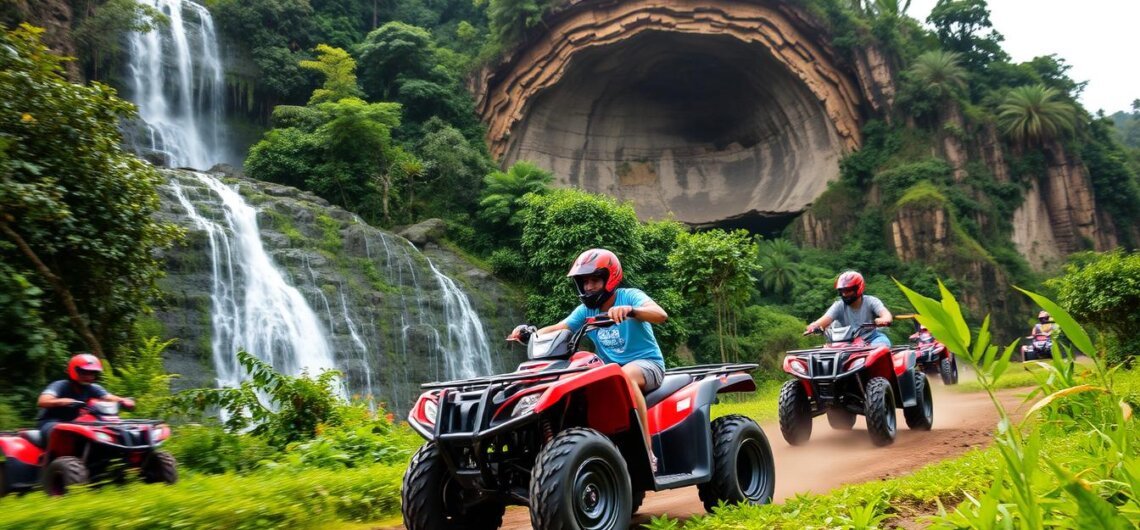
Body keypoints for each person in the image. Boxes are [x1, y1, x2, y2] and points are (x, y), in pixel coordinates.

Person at [508, 248, 668, 471]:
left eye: (595, 280)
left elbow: (660, 314)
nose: (589, 286)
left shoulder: (629, 296)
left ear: (609, 278)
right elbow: (559, 328)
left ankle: (647, 452)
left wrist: (631, 310)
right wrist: (529, 334)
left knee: (626, 376)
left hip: (647, 365)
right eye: (584, 282)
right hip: (610, 371)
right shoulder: (585, 310)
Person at [36, 353, 133, 441]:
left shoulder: (92, 388)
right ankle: (61, 459)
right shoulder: (60, 385)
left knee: (105, 432)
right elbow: (42, 401)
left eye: (92, 373)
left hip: (76, 422)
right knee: (65, 435)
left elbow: (108, 397)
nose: (89, 377)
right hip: (51, 422)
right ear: (74, 371)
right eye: (84, 372)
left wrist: (123, 400)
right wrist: (62, 401)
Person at [804, 270, 893, 346]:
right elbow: (823, 321)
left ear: (858, 289)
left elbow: (886, 315)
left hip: (871, 339)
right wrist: (813, 326)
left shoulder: (872, 301)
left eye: (848, 290)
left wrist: (883, 320)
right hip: (845, 342)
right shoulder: (838, 305)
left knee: (882, 345)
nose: (844, 294)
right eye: (842, 291)